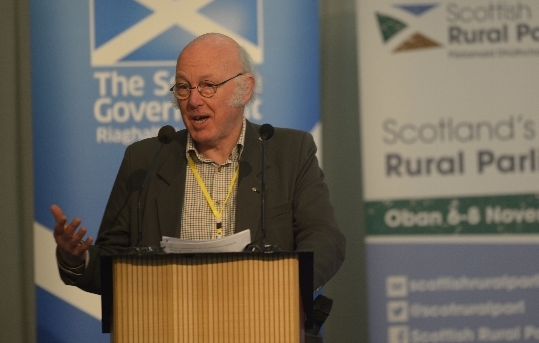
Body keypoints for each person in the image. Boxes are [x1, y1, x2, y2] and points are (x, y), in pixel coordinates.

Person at [51, 33, 345, 340]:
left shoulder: (289, 151)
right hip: (168, 330)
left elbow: (326, 237)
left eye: (208, 86)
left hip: (264, 326)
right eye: (183, 87)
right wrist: (77, 259)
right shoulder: (145, 159)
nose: (193, 100)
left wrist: (285, 288)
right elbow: (114, 264)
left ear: (245, 89)